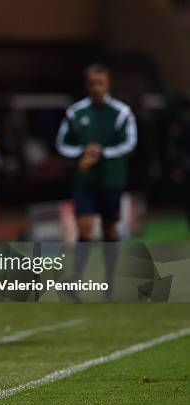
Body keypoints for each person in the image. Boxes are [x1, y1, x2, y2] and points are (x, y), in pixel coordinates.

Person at [56, 63, 137, 298]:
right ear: (87, 85)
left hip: (112, 179)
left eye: (100, 82)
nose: (96, 87)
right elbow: (62, 144)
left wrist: (100, 153)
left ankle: (109, 283)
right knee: (86, 228)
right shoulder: (75, 113)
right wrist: (82, 152)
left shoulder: (121, 113)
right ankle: (76, 282)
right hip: (85, 181)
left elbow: (129, 144)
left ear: (108, 84)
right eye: (92, 83)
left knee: (110, 230)